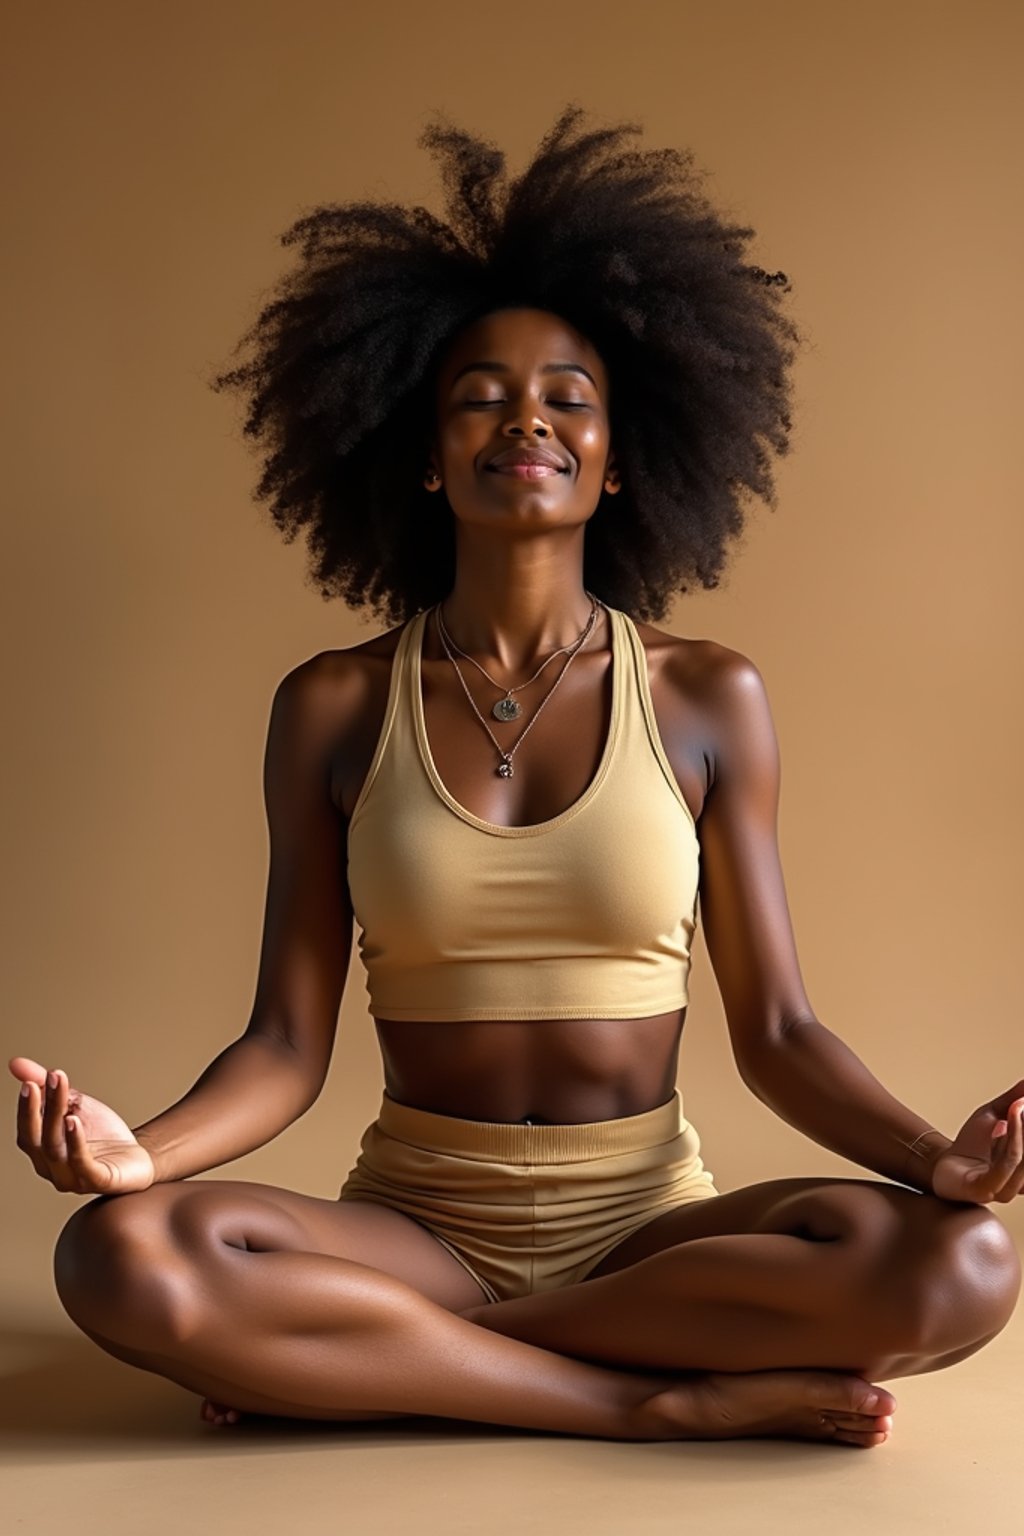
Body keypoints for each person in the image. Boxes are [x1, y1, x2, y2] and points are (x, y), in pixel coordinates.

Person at [11, 105, 1022, 1448]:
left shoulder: (707, 695)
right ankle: (649, 1404)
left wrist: (934, 1162)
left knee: (965, 1263)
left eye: (567, 398)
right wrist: (143, 1154)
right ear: (422, 458)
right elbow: (284, 1046)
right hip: (413, 1226)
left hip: (656, 1234)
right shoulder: (334, 704)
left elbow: (778, 1034)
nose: (524, 420)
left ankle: (376, 1362)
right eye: (477, 397)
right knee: (118, 1254)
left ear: (616, 460)